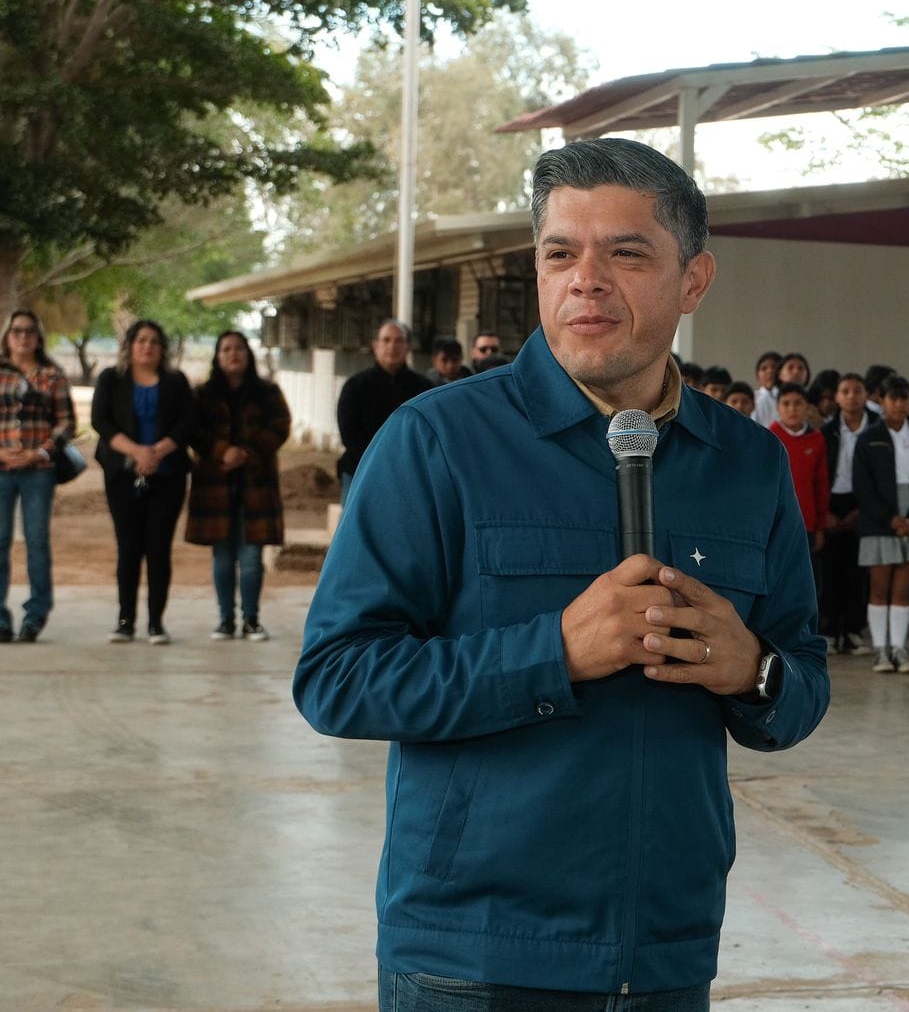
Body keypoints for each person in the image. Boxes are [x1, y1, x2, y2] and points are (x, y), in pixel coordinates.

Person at [295, 137, 829, 1010]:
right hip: (474, 957)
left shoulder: (747, 464)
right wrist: (553, 654)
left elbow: (802, 679)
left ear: (693, 281)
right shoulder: (437, 441)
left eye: (626, 254)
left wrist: (754, 671)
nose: (586, 280)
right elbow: (337, 678)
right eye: (559, 254)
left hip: (666, 951)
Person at [92, 319, 196, 644]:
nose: (147, 346)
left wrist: (158, 451)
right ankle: (125, 621)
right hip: (122, 476)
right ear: (129, 346)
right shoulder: (111, 378)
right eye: (141, 340)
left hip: (168, 476)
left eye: (154, 341)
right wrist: (138, 452)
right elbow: (100, 421)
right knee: (128, 548)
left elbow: (188, 422)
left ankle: (156, 623)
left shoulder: (176, 381)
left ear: (162, 349)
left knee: (158, 549)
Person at [184, 331, 292, 642]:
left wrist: (245, 453)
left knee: (251, 556)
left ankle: (251, 619)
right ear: (217, 356)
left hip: (256, 483)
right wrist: (222, 452)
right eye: (226, 349)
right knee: (222, 556)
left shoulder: (267, 392)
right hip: (214, 483)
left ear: (248, 354)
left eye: (239, 349)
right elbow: (193, 431)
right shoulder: (202, 394)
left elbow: (280, 426)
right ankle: (225, 620)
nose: (233, 354)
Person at [0, 309, 75, 643]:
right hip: (1, 468)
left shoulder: (52, 374)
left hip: (38, 470)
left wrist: (40, 452)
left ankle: (35, 615)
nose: (23, 337)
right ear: (7, 336)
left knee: (37, 541)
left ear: (39, 337)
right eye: (16, 331)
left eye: (29, 331)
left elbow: (66, 423)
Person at [853, 376, 909, 673]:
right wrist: (889, 518)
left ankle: (899, 648)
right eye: (893, 398)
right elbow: (863, 486)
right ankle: (881, 650)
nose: (899, 405)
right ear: (882, 401)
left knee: (903, 591)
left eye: (904, 398)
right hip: (880, 521)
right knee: (879, 588)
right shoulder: (868, 439)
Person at [335, 319, 430, 500]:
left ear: (408, 347)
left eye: (399, 340)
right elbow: (349, 434)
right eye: (386, 340)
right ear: (376, 345)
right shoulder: (355, 386)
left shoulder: (423, 388)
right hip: (361, 470)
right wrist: (381, 463)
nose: (392, 346)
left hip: (409, 474)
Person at [821, 373, 870, 653]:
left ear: (866, 396)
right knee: (830, 571)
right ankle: (829, 630)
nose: (852, 396)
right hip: (830, 502)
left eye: (857, 390)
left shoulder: (876, 431)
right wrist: (824, 511)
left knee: (857, 572)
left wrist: (863, 509)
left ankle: (853, 630)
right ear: (837, 397)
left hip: (863, 504)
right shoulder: (826, 431)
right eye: (846, 391)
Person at [768, 381, 828, 602]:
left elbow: (821, 485)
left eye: (798, 403)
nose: (792, 408)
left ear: (807, 407)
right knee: (778, 581)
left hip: (807, 523)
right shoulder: (768, 437)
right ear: (778, 407)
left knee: (807, 582)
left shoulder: (817, 439)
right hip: (776, 524)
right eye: (786, 403)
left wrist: (820, 526)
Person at [751, 350, 782, 426]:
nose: (770, 371)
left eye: (775, 367)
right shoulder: (752, 398)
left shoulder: (790, 398)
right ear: (757, 376)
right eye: (764, 368)